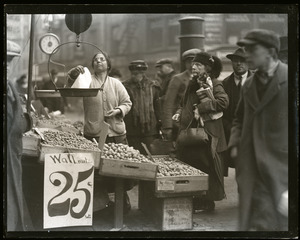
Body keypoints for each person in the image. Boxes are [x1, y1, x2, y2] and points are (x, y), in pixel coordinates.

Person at [228, 29, 288, 231]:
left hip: (281, 168)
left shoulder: (290, 79)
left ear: (271, 51)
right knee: (256, 221)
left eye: (253, 49)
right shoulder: (249, 84)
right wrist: (236, 143)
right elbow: (238, 117)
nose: (246, 55)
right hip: (251, 166)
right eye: (246, 49)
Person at [66, 51, 133, 215]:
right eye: (95, 60)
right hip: (94, 134)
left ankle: (121, 204)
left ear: (108, 64)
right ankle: (98, 206)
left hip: (116, 134)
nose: (98, 61)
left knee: (119, 170)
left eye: (102, 59)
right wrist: (74, 74)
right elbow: (71, 87)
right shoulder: (87, 82)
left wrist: (118, 110)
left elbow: (127, 102)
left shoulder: (116, 84)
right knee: (95, 173)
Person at [173, 52, 229, 212]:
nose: (193, 67)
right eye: (193, 64)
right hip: (193, 133)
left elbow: (223, 102)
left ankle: (207, 202)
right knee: (194, 164)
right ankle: (197, 200)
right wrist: (179, 112)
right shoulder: (192, 85)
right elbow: (183, 104)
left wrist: (201, 108)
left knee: (208, 167)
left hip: (210, 135)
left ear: (208, 69)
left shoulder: (216, 84)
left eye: (198, 65)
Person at [6, 40, 33, 231]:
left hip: (11, 154)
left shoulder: (9, 86)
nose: (6, 66)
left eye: (8, 61)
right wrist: (27, 122)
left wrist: (26, 119)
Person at [222, 48, 253, 175]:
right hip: (231, 136)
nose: (239, 63)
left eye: (242, 60)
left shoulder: (259, 82)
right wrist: (230, 129)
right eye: (235, 60)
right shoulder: (224, 84)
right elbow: (221, 113)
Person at [162, 49, 202, 141]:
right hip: (181, 124)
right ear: (185, 63)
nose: (192, 65)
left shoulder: (205, 78)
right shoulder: (178, 79)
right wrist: (168, 127)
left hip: (201, 123)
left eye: (194, 62)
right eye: (189, 62)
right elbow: (168, 103)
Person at [123, 60, 161, 154]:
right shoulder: (124, 86)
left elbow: (158, 108)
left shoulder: (153, 87)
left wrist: (161, 124)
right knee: (134, 155)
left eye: (136, 74)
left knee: (150, 154)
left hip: (150, 130)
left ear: (143, 73)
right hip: (132, 129)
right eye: (132, 73)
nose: (133, 76)